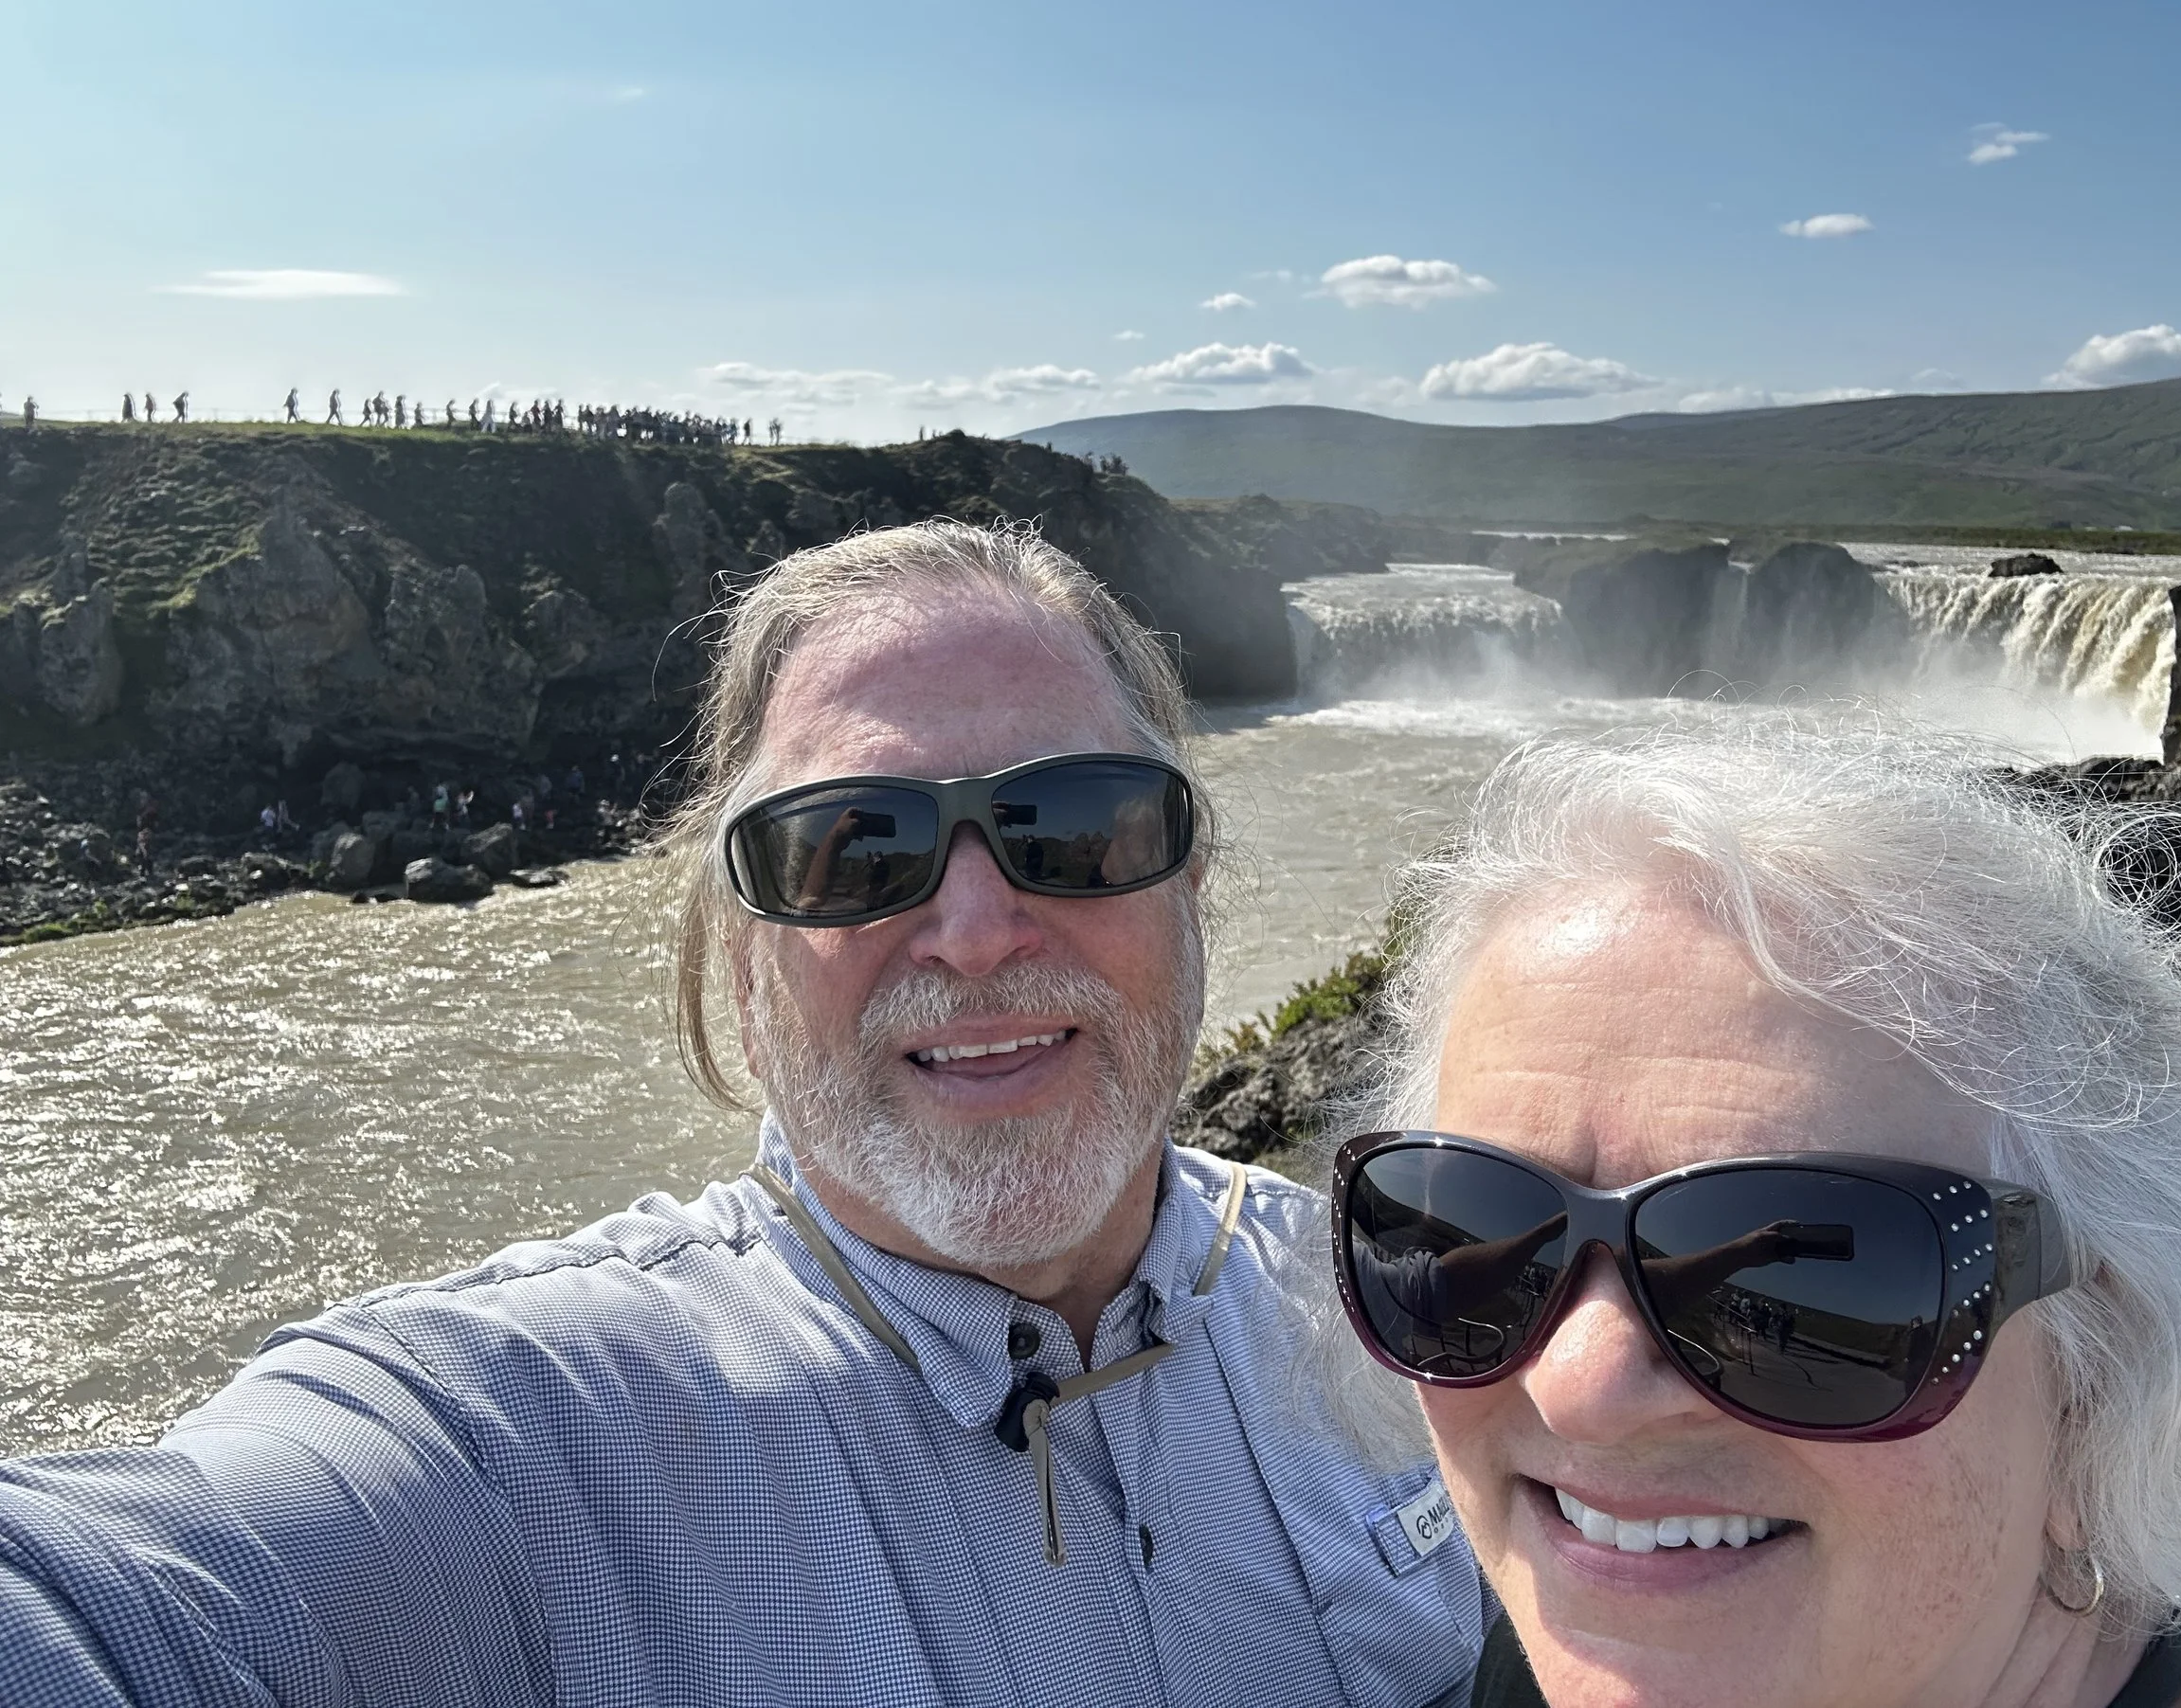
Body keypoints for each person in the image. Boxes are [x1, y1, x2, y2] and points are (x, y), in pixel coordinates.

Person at [0, 521, 1486, 1707]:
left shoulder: (1410, 1312)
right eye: (850, 847)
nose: (976, 926)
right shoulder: (528, 1448)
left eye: (1079, 821)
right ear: (735, 944)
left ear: (1191, 879)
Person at [1320, 718, 2181, 1708]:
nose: (1580, 1388)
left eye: (1793, 1287)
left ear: (2104, 1380)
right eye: (1475, 1235)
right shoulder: (1550, 1633)